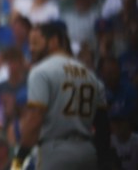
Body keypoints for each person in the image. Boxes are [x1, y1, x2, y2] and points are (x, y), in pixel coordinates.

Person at [12, 21, 111, 170]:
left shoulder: (41, 72)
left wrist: (19, 159)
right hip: (88, 152)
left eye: (35, 43)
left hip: (55, 151)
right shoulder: (91, 76)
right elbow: (103, 127)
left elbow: (35, 119)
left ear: (54, 41)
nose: (31, 49)